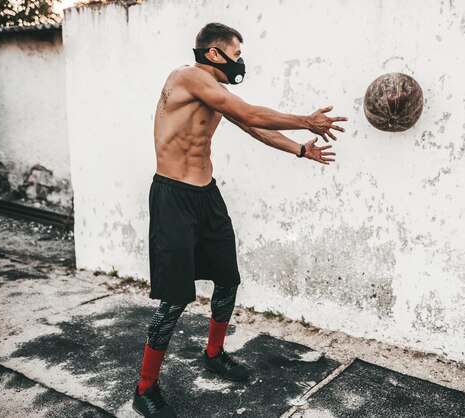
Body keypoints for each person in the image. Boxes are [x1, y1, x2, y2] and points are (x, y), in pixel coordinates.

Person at [132, 22, 348, 417]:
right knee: (175, 298)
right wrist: (306, 120)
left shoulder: (216, 93)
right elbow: (250, 112)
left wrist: (301, 149)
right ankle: (144, 389)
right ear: (214, 54)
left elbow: (252, 126)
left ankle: (214, 354)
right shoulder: (187, 78)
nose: (240, 62)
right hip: (173, 197)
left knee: (227, 280)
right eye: (236, 54)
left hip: (206, 195)